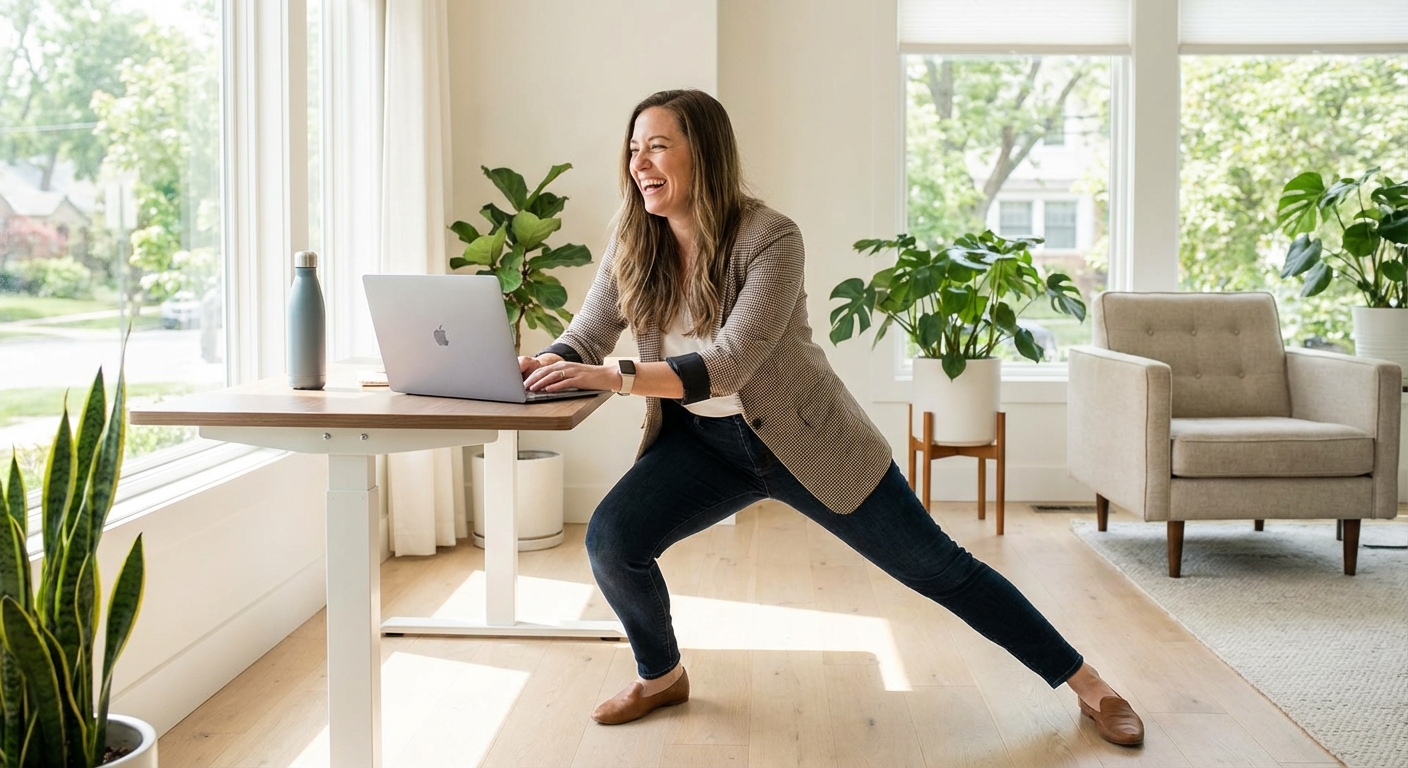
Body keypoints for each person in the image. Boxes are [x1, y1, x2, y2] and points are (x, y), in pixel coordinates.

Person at [519, 89, 1145, 748]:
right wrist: (539, 364)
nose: (639, 162)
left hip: (805, 439)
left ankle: (1091, 685)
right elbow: (586, 337)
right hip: (699, 443)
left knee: (938, 567)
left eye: (658, 146)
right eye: (633, 148)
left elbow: (728, 365)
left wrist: (613, 377)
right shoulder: (634, 241)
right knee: (613, 541)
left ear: (702, 153)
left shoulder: (770, 238)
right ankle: (661, 675)